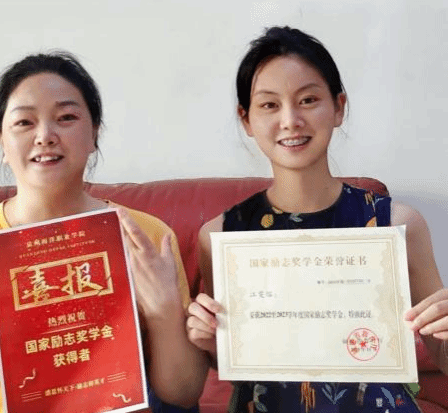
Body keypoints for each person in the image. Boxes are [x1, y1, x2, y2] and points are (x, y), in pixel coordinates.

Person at [0, 51, 207, 412]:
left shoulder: (145, 236)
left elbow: (182, 394)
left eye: (66, 118)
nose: (45, 136)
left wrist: (164, 311)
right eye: (24, 123)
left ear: (94, 133)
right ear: (1, 141)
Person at [186, 26, 448, 412]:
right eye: (269, 105)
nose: (290, 120)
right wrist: (209, 341)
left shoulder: (398, 224)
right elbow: (234, 357)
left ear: (338, 107)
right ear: (246, 120)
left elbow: (441, 355)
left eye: (308, 100)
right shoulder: (223, 236)